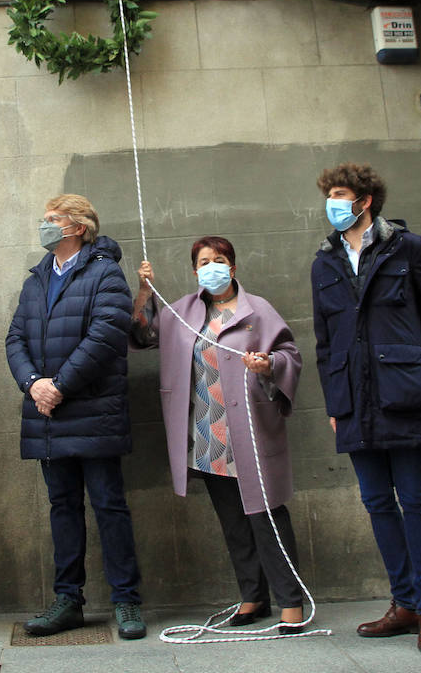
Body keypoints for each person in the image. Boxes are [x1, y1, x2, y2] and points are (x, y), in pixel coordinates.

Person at [310, 163, 421, 655]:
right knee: (377, 504)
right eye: (328, 196)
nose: (332, 204)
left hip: (404, 394)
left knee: (416, 502)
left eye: (339, 195)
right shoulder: (324, 262)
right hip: (354, 402)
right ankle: (403, 603)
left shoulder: (407, 248)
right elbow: (324, 341)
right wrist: (336, 400)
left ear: (364, 200)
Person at [133, 236, 306, 632]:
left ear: (233, 266)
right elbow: (142, 336)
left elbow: (290, 355)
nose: (213, 266)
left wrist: (268, 365)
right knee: (232, 520)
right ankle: (253, 597)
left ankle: (291, 602)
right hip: (206, 433)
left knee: (266, 516)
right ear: (195, 270)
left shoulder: (257, 310)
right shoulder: (181, 311)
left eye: (220, 259)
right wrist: (145, 290)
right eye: (204, 261)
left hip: (250, 431)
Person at [6, 194, 146, 640]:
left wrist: (59, 386)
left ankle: (127, 601)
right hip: (48, 415)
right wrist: (33, 383)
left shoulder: (105, 272)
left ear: (79, 228)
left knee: (108, 505)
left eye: (53, 220)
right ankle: (67, 600)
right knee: (62, 508)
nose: (44, 226)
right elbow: (14, 337)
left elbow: (106, 336)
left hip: (93, 413)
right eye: (44, 218)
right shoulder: (36, 279)